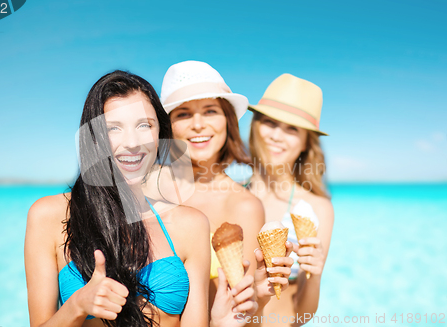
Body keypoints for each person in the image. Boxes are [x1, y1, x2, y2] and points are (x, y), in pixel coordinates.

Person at [24, 70, 257, 327]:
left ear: (160, 133)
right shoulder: (49, 215)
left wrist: (222, 324)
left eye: (144, 125)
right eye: (114, 128)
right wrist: (77, 306)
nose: (132, 142)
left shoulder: (191, 224)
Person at [160, 61, 294, 316]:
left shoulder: (244, 206)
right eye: (183, 113)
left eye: (210, 111)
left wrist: (260, 300)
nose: (198, 124)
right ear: (168, 126)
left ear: (228, 121)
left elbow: (243, 316)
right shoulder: (141, 189)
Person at [247, 73, 334, 326]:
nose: (277, 135)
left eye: (291, 129)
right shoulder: (230, 193)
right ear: (255, 125)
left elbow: (304, 315)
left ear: (307, 141)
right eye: (269, 122)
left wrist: (315, 276)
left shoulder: (317, 209)